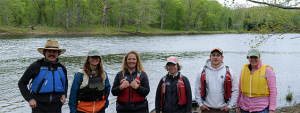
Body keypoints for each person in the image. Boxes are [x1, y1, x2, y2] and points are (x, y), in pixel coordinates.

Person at [18, 40, 68, 113]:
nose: (52, 54)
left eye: (54, 52)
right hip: (39, 106)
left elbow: (65, 82)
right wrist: (30, 99)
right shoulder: (35, 66)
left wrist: (64, 94)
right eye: (49, 51)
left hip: (56, 105)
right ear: (44, 53)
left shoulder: (62, 68)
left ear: (58, 54)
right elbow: (22, 83)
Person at [195, 47, 239, 113]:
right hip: (207, 109)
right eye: (213, 55)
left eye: (218, 55)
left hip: (223, 109)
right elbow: (197, 89)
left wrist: (230, 106)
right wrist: (200, 104)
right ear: (210, 57)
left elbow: (235, 90)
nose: (215, 57)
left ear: (222, 57)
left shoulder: (229, 72)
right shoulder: (202, 71)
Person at [236, 48, 277, 113]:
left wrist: (271, 109)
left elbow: (273, 91)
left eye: (255, 57)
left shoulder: (268, 70)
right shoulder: (244, 70)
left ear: (259, 57)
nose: (253, 59)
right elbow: (240, 88)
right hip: (244, 108)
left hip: (261, 109)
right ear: (248, 58)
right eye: (251, 57)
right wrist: (238, 106)